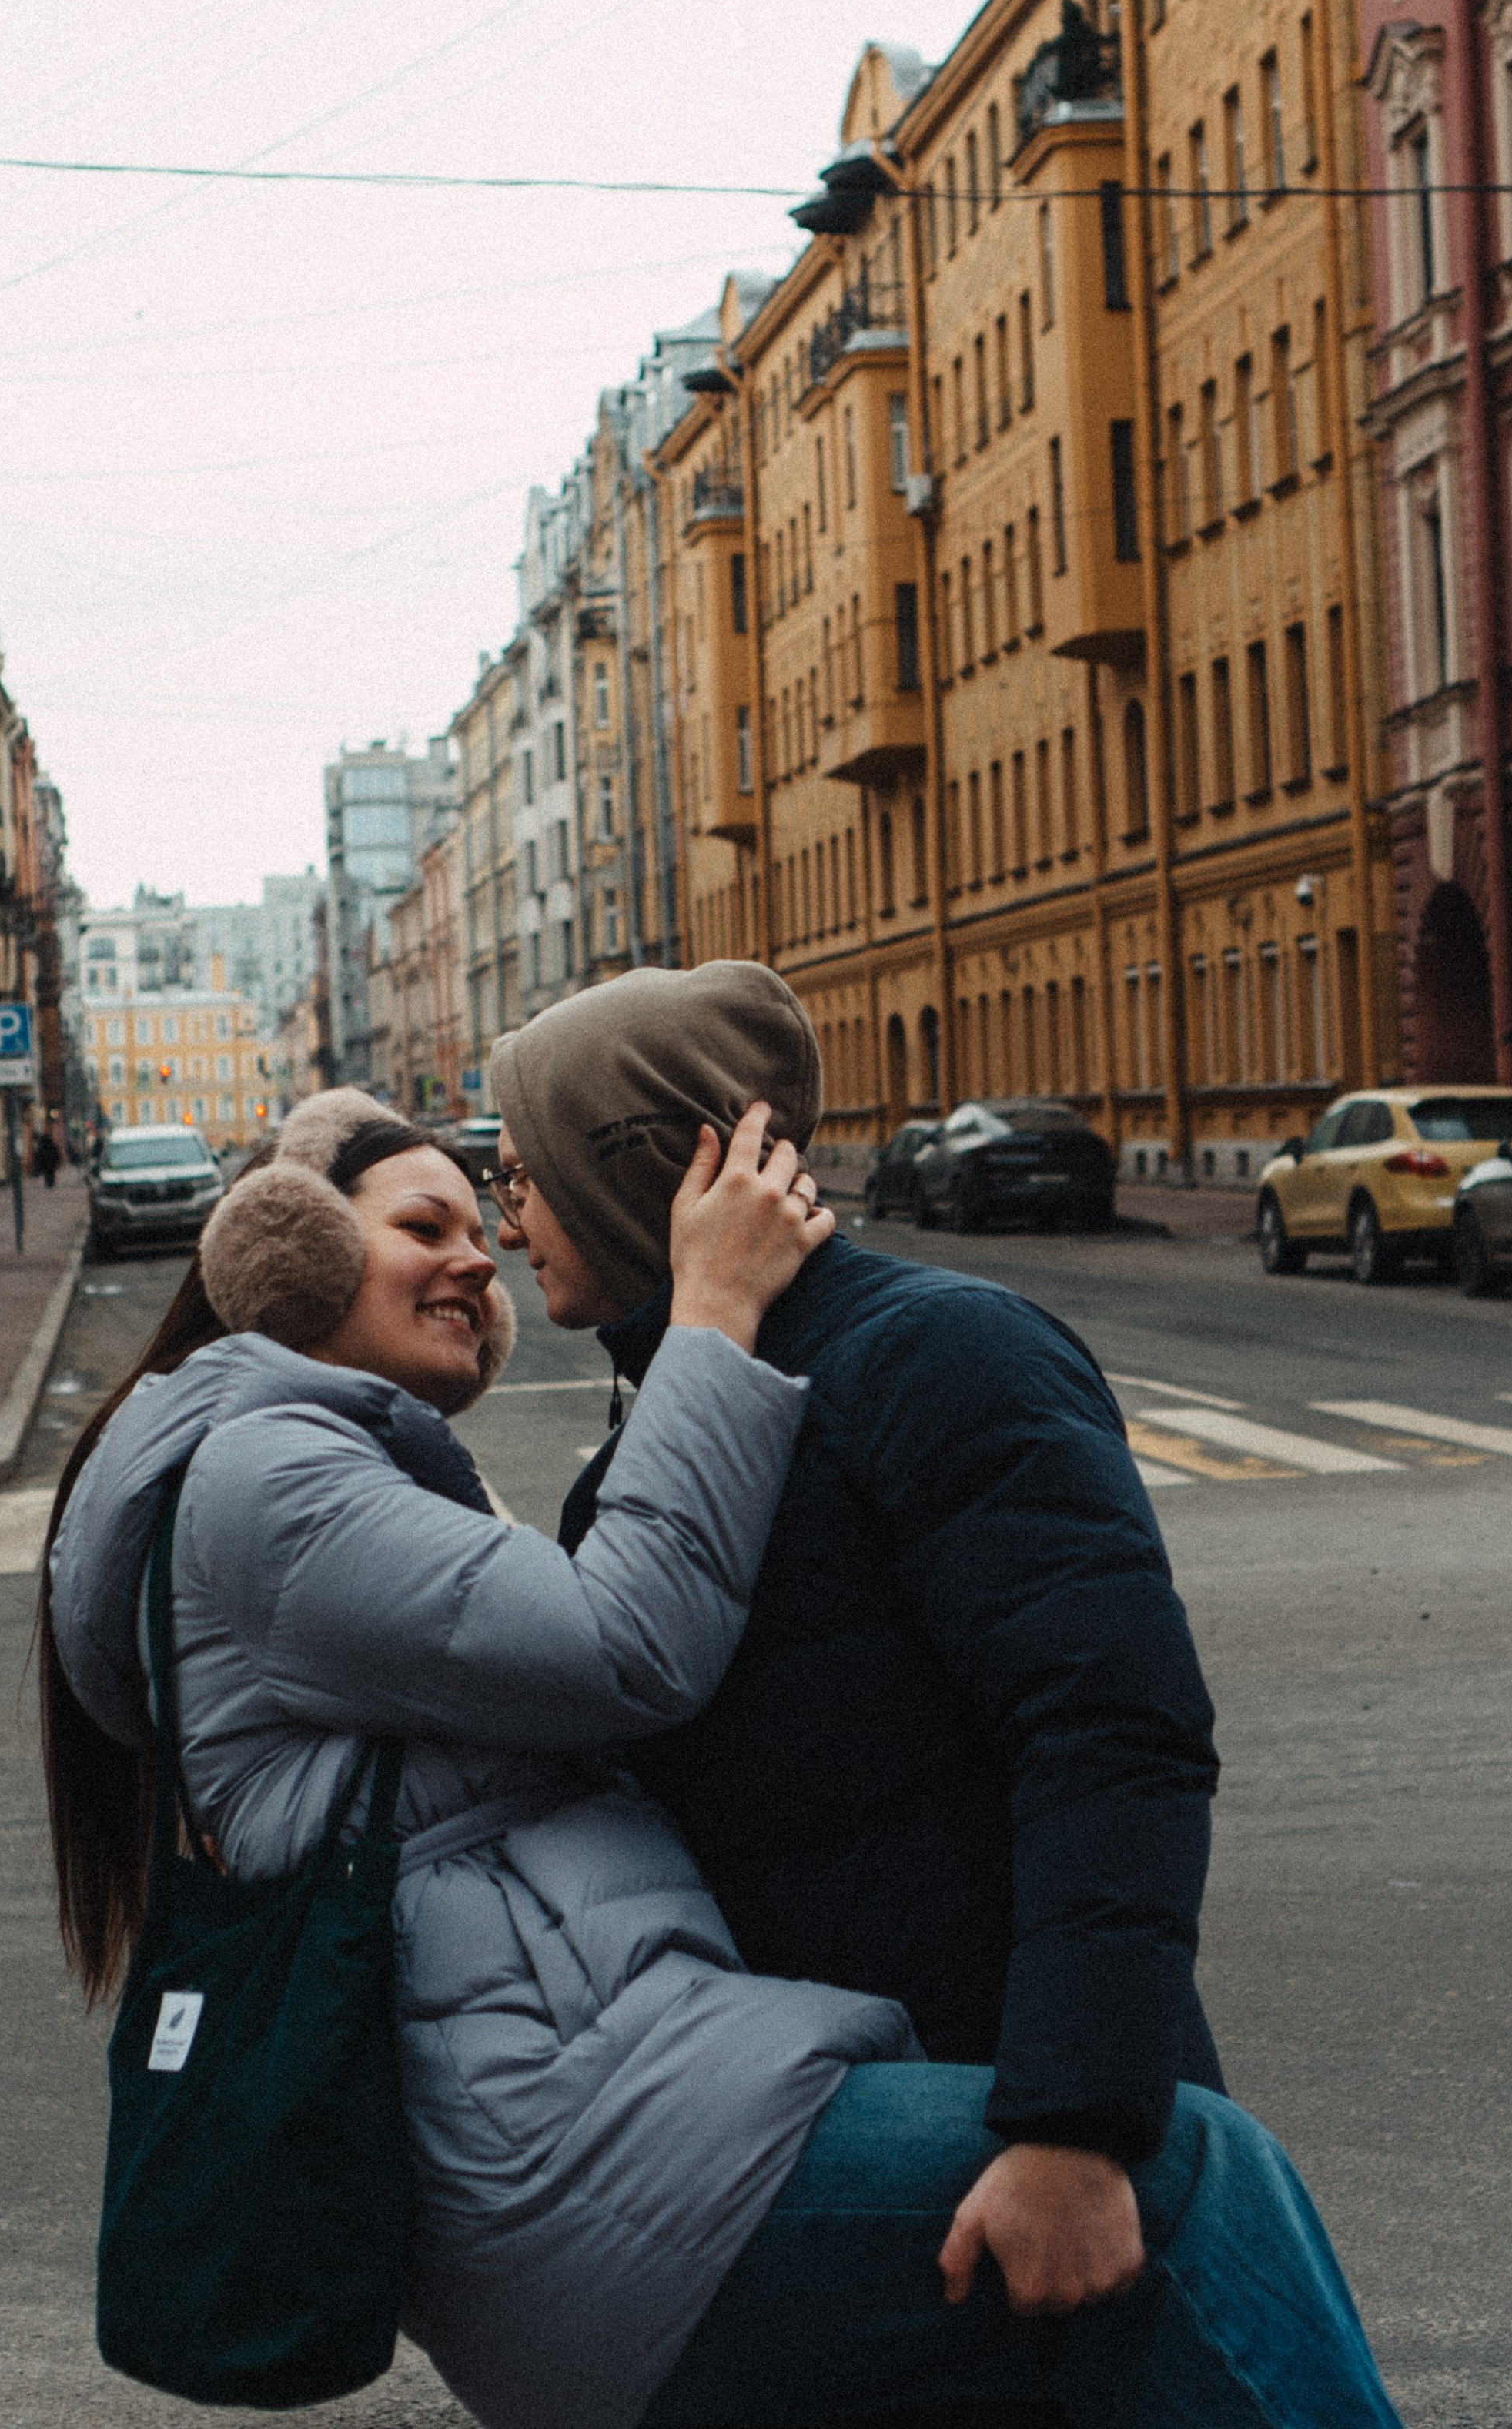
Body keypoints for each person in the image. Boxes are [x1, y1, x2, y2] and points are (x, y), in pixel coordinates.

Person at [37, 1081, 1402, 2429]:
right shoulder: (270, 1481)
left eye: (489, 1215)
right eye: (427, 1222)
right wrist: (714, 1317)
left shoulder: (331, 1477)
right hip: (595, 2166)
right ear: (297, 1253)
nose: (480, 1254)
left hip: (624, 2128)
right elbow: (631, 1642)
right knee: (1195, 2195)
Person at [486, 960, 1402, 2425]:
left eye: (521, 1171)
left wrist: (1077, 2127)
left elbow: (1112, 1735)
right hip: (860, 2124)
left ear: (641, 1171)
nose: (502, 1211)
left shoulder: (938, 1353)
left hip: (1026, 2134)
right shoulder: (663, 1444)